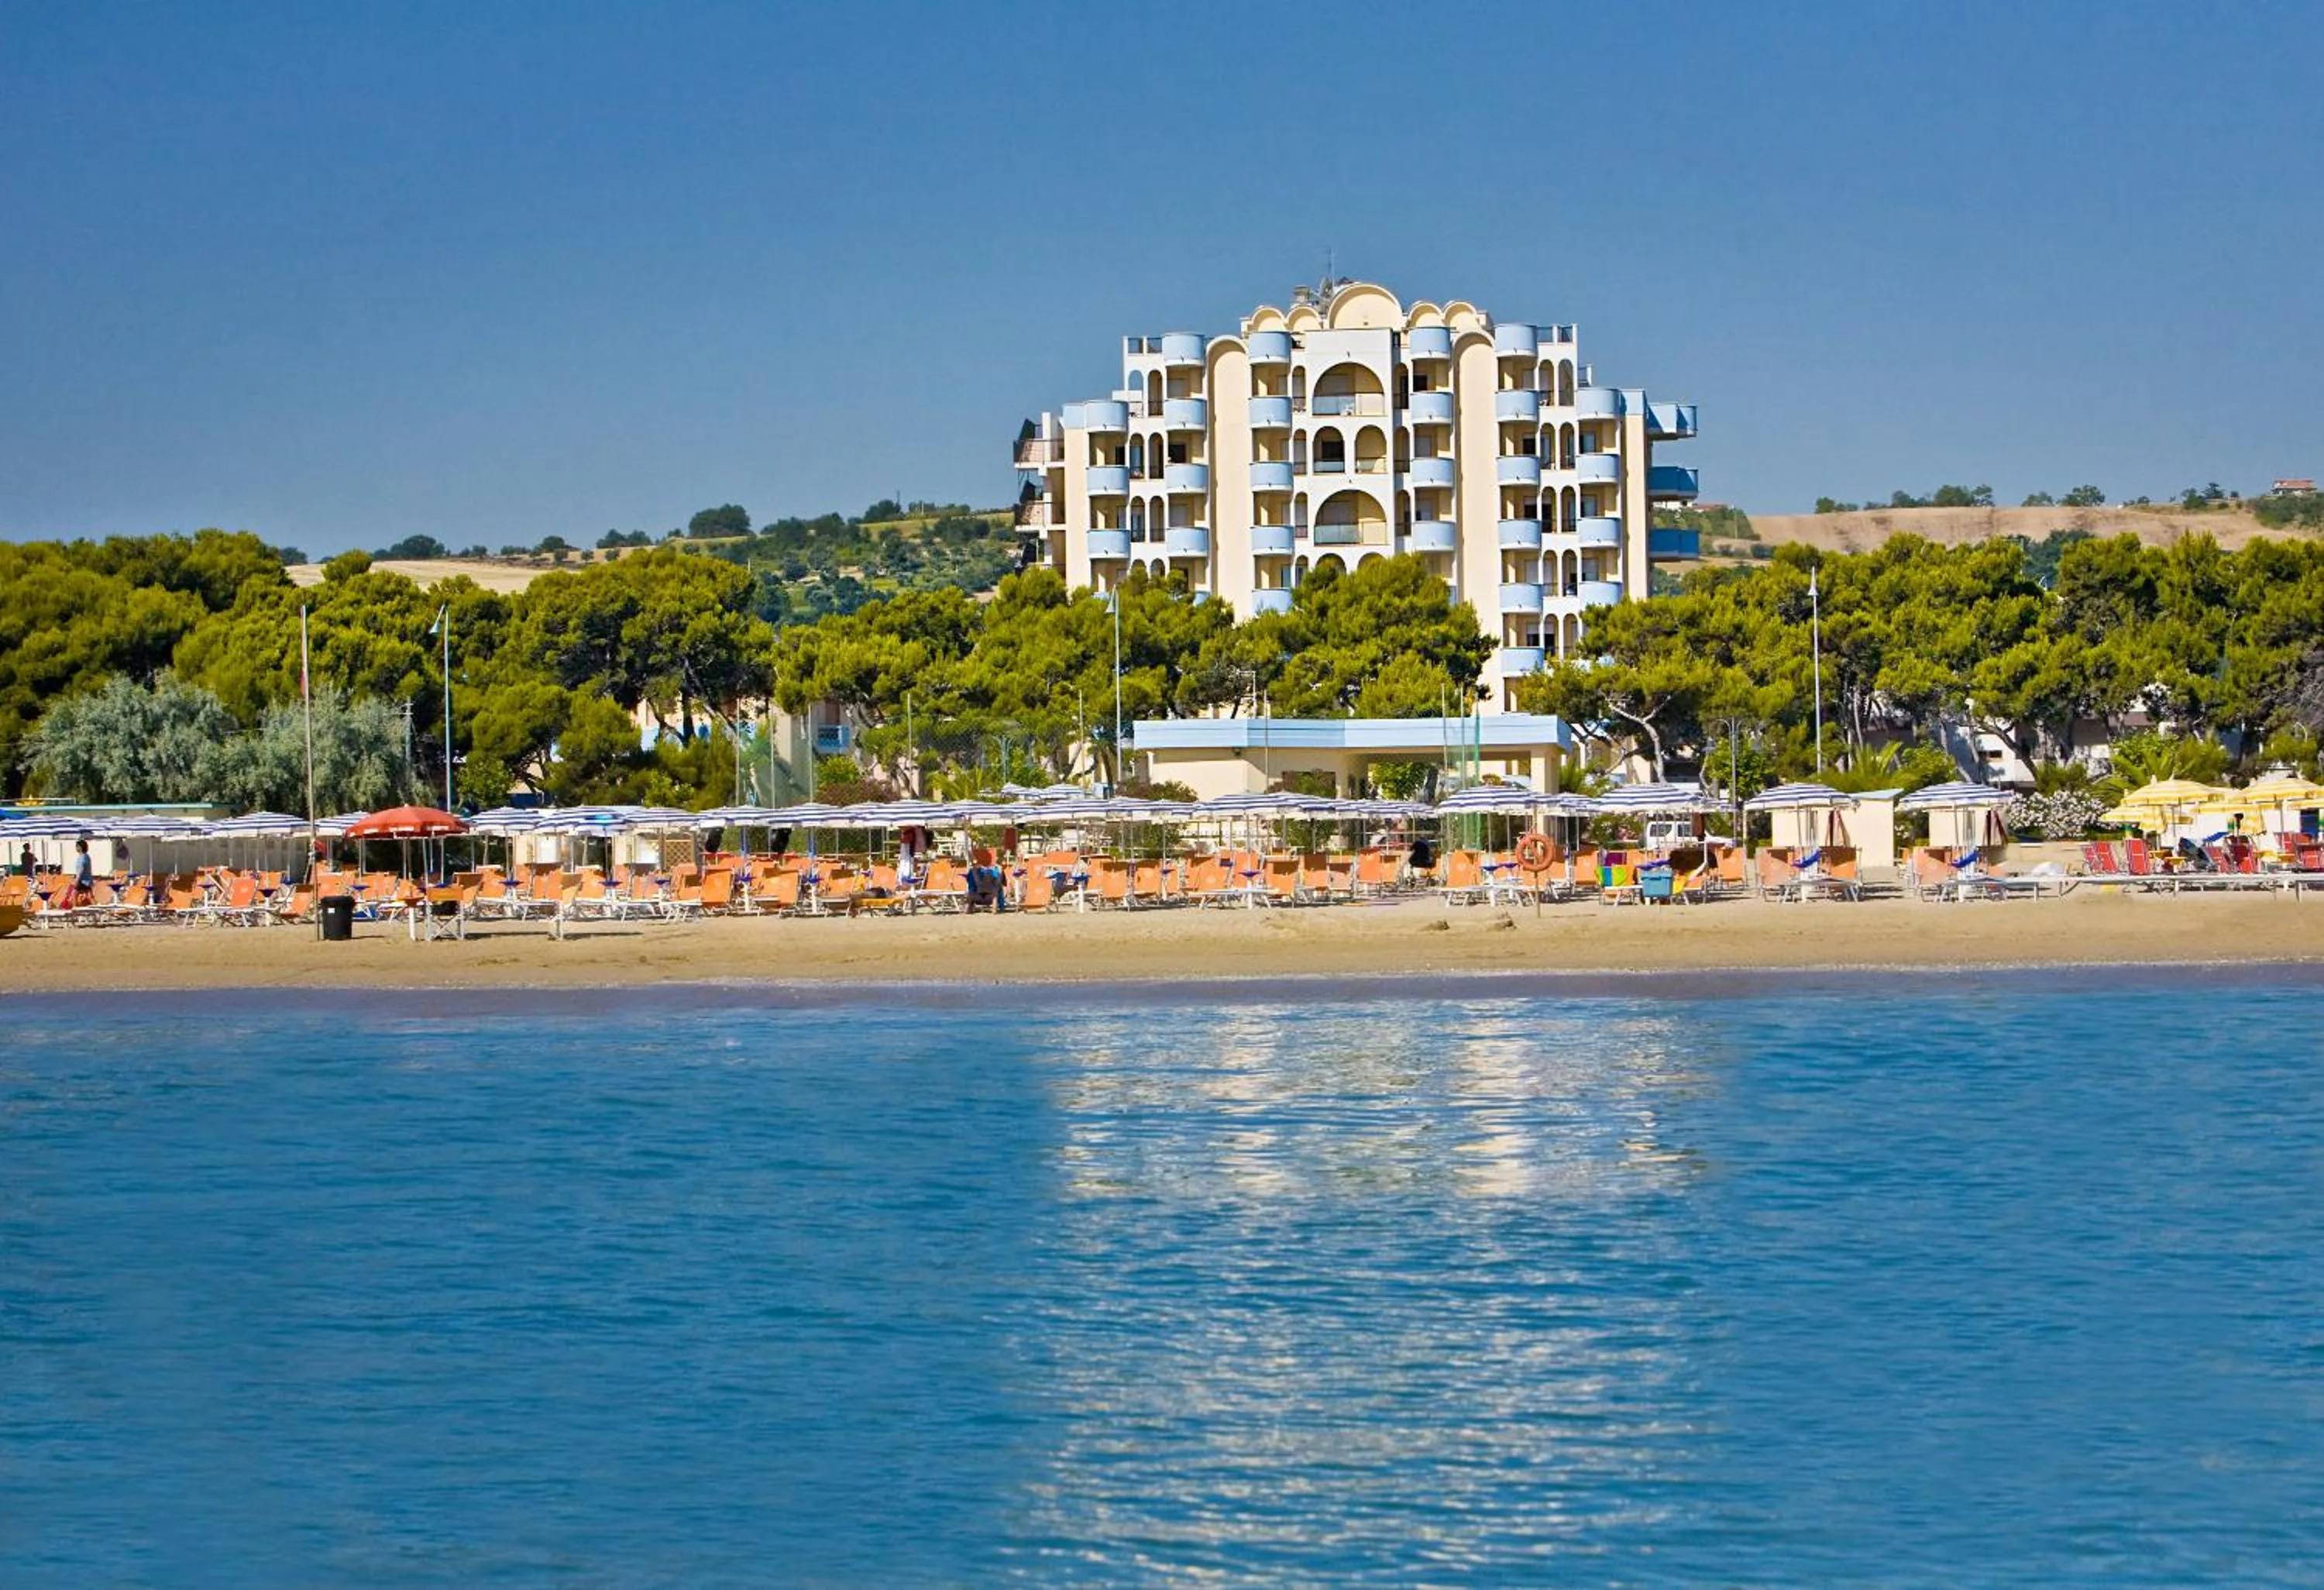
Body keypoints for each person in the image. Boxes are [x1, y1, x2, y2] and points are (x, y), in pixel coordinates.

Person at [68, 838, 95, 907]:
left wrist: (77, 880)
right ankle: (98, 908)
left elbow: (81, 870)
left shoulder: (82, 858)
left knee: (74, 895)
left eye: (77, 846)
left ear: (80, 847)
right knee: (90, 896)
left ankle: (75, 909)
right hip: (87, 880)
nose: (76, 848)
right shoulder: (87, 856)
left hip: (82, 880)